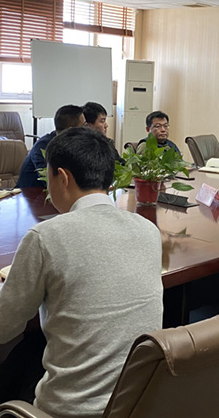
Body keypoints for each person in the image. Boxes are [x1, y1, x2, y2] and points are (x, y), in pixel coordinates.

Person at [0, 128, 163, 418]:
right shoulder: (148, 230)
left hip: (68, 411)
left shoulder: (45, 237)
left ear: (62, 177)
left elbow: (4, 326)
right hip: (138, 403)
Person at [16, 105, 85, 188]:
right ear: (71, 130)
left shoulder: (73, 144)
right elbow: (49, 180)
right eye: (84, 126)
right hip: (29, 193)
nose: (86, 129)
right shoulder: (44, 146)